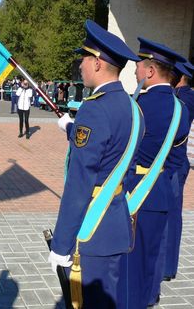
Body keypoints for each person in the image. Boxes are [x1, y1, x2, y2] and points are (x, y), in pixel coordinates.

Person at [50, 19, 144, 308]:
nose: (80, 65)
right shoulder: (134, 108)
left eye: (84, 59)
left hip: (91, 230)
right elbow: (114, 157)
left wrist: (61, 245)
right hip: (115, 223)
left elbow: (80, 182)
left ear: (99, 63)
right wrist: (70, 128)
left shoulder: (94, 108)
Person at [120, 38, 190, 308]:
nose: (136, 71)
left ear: (150, 71)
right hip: (160, 191)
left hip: (131, 192)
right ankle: (150, 298)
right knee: (153, 253)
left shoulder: (135, 106)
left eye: (138, 66)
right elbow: (175, 161)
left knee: (130, 259)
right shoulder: (180, 110)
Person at [162, 60, 194, 282]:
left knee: (171, 215)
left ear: (178, 76)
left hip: (175, 162)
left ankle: (167, 267)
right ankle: (167, 265)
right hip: (177, 162)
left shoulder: (184, 98)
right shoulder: (184, 95)